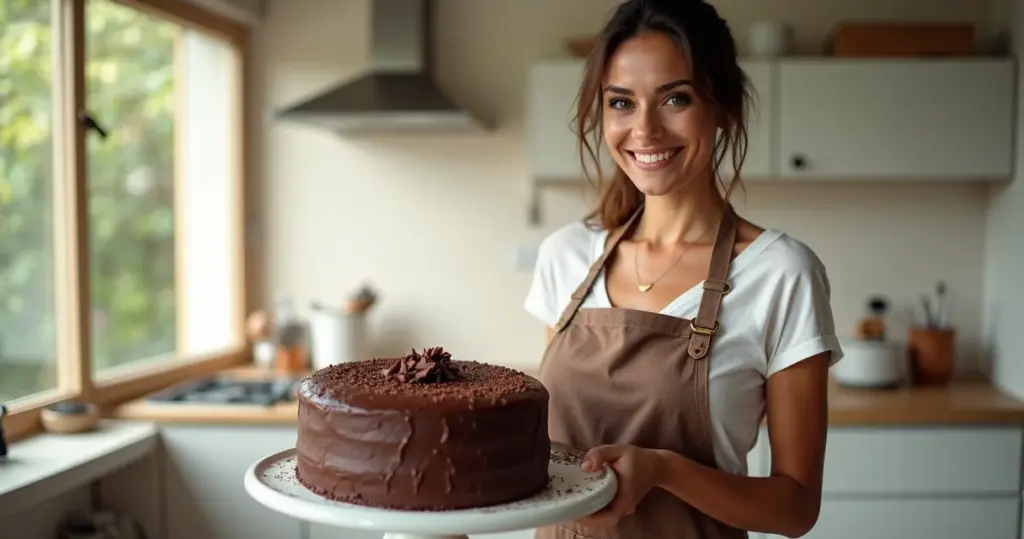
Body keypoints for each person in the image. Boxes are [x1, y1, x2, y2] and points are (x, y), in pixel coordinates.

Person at [523, 1, 843, 538]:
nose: (644, 129)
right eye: (621, 102)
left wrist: (665, 471)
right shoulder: (566, 257)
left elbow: (795, 509)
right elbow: (550, 458)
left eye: (675, 98)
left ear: (724, 107)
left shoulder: (781, 274)